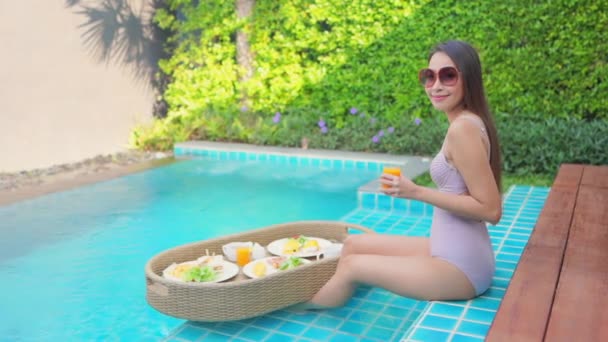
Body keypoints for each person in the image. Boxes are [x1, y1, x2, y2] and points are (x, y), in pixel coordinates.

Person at [301, 40, 503, 309]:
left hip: (462, 268)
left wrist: (416, 192)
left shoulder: (463, 129)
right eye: (429, 76)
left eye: (448, 75)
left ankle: (302, 309)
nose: (436, 85)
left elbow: (490, 210)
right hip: (448, 247)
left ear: (469, 78)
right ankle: (331, 295)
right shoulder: (467, 120)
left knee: (352, 265)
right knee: (353, 245)